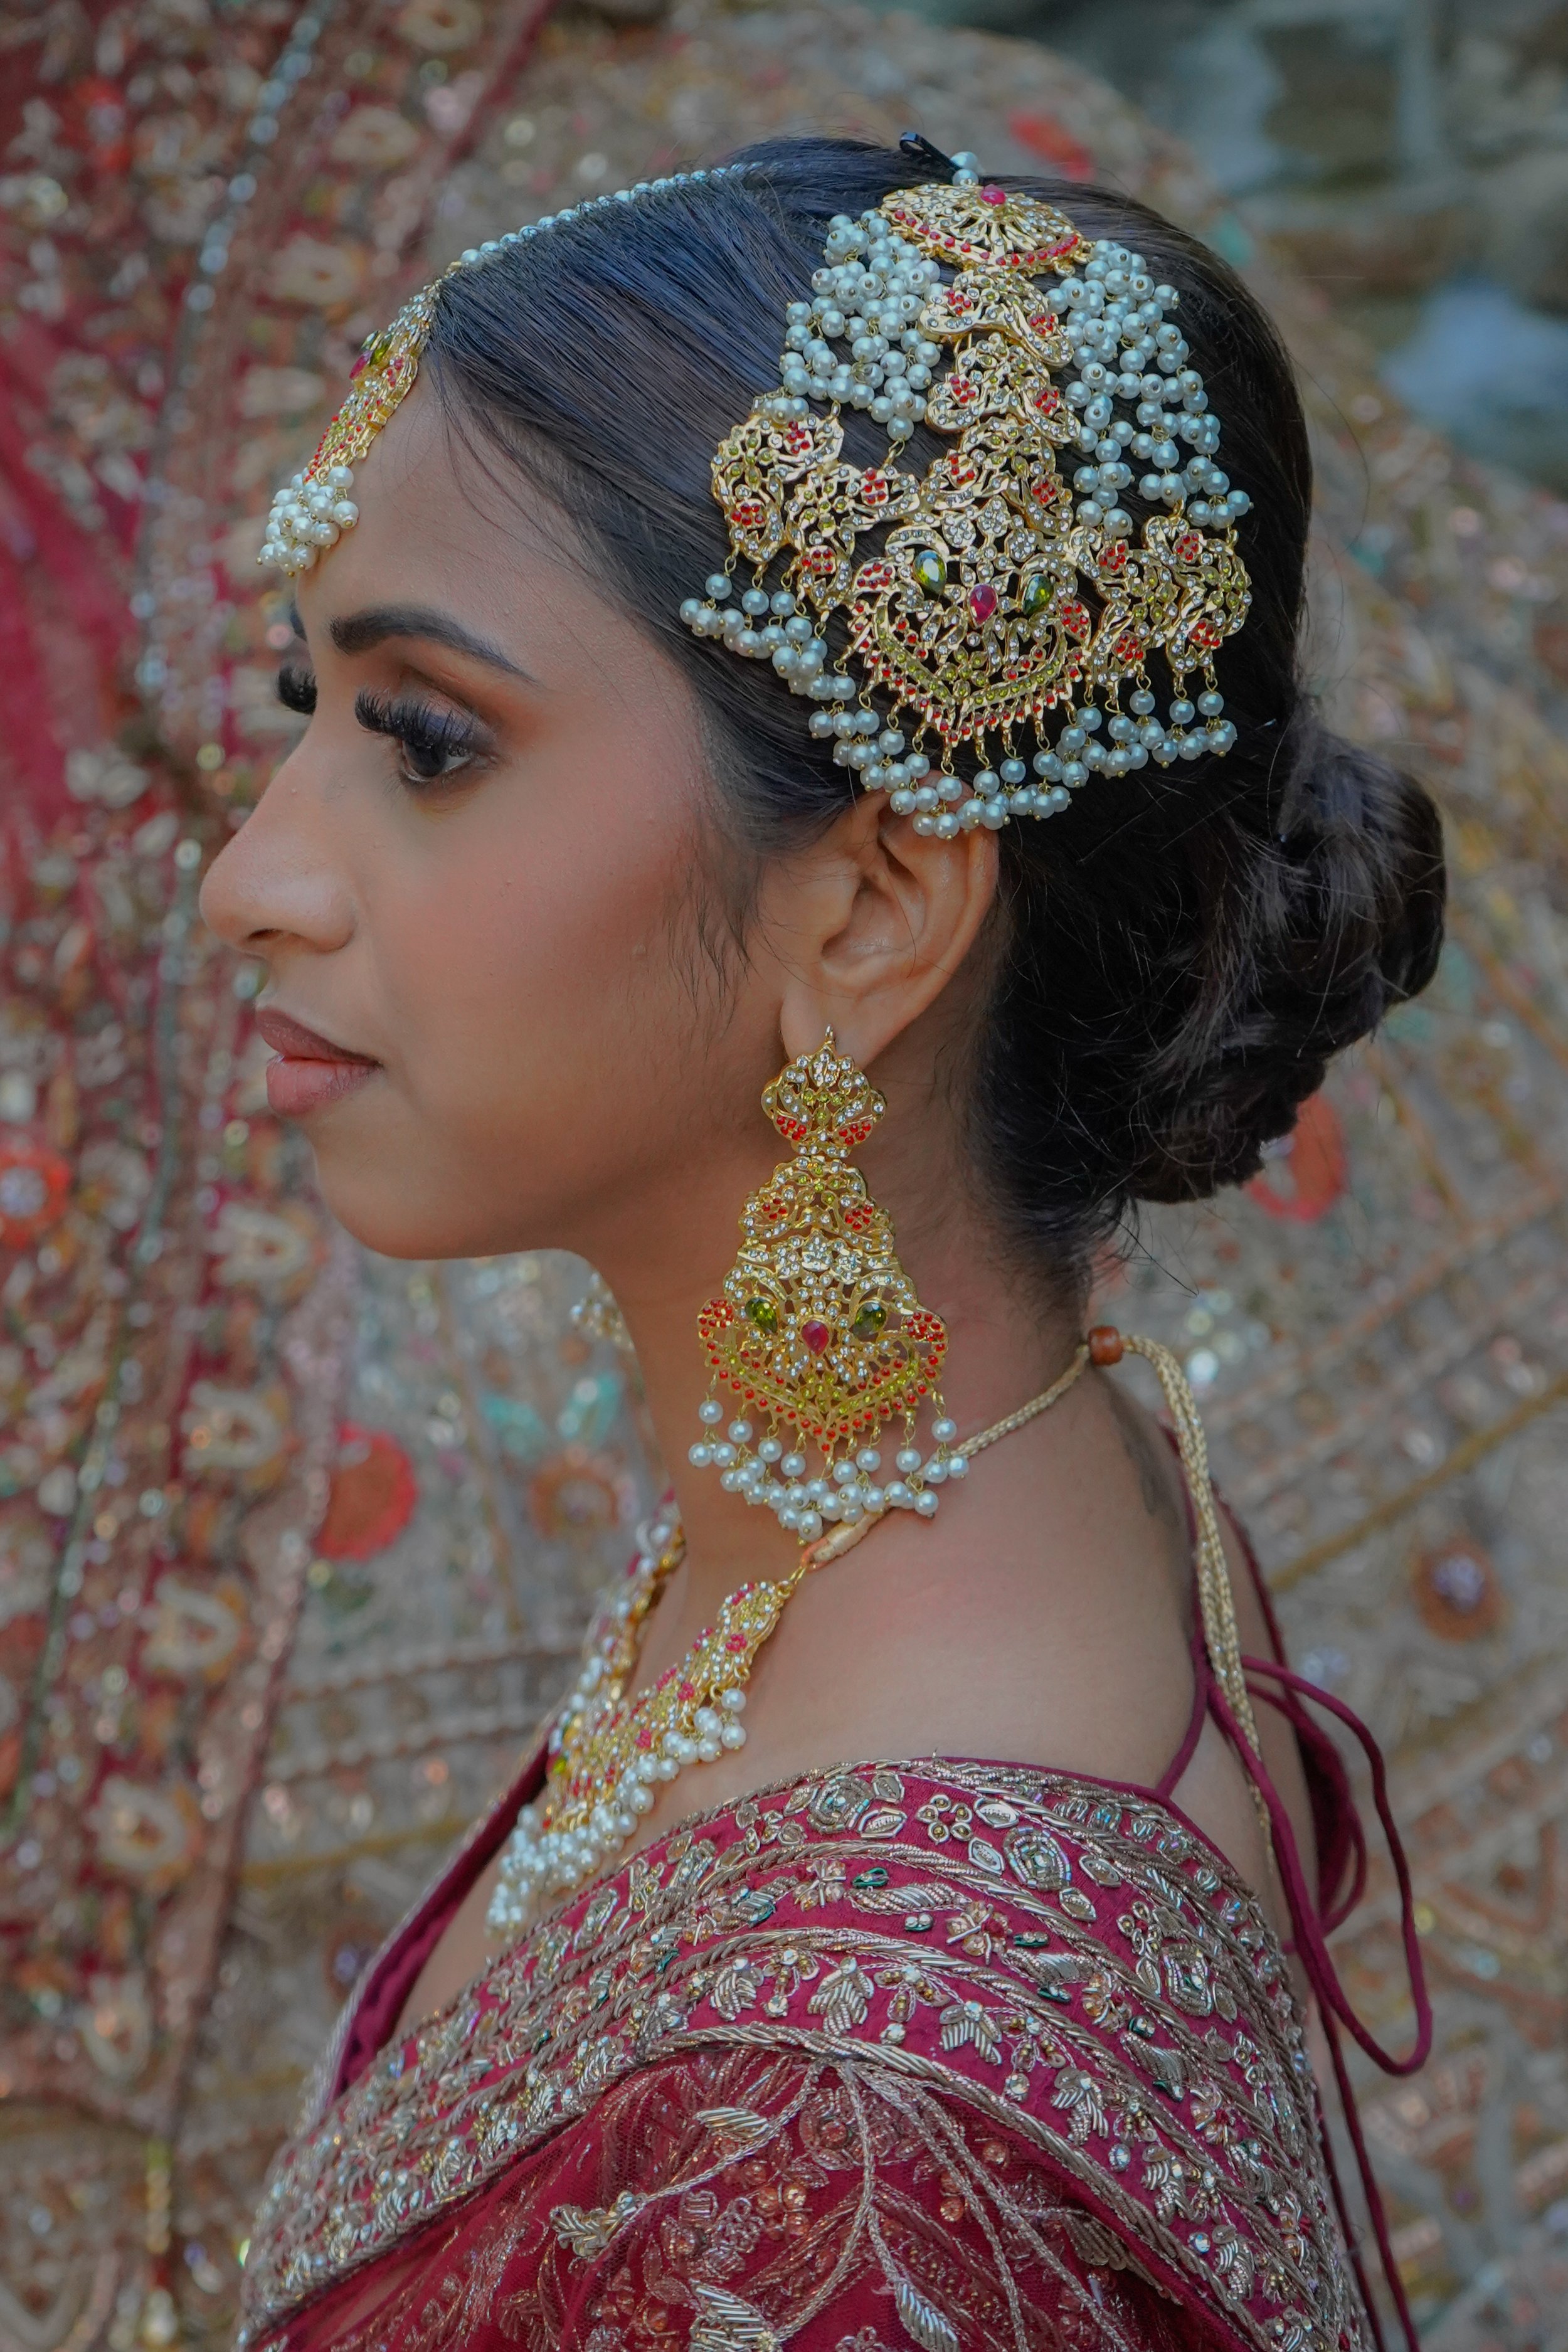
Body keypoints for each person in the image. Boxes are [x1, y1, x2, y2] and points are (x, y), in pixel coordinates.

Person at [203, 135, 1443, 2352]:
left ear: (869, 906)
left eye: (423, 741)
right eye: (306, 712)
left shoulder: (837, 2158)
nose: (252, 880)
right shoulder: (998, 1475)